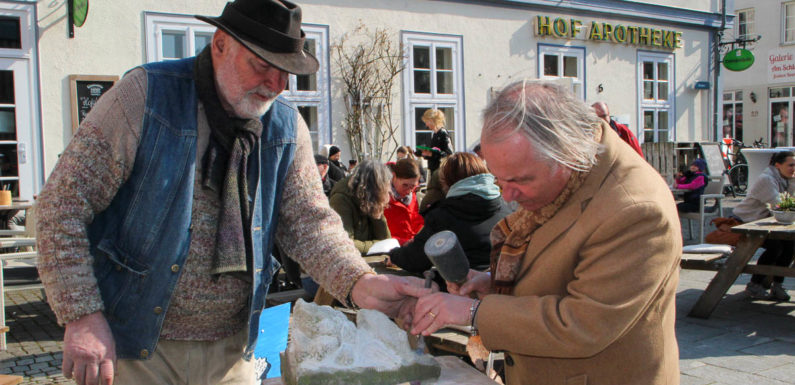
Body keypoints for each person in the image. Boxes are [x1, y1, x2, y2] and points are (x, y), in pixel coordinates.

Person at [34, 2, 429, 385]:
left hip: (231, 351)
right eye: (262, 65)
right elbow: (61, 206)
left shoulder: (285, 128)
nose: (276, 85)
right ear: (220, 44)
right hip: (135, 346)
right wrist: (83, 314)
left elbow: (310, 225)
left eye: (286, 72)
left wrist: (361, 283)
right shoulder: (145, 97)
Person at [410, 81, 681, 384]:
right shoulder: (567, 174)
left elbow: (584, 324)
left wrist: (474, 312)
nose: (508, 196)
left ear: (566, 154)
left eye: (518, 180)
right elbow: (555, 263)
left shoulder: (635, 210)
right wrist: (493, 284)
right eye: (498, 179)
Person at [389, 152, 511, 276]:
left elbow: (416, 259)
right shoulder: (506, 209)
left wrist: (393, 254)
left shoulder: (444, 215)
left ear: (447, 182)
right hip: (500, 284)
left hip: (457, 288)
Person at [732, 151, 795, 301]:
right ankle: (754, 284)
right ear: (777, 165)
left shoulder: (784, 179)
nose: (794, 168)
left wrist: (792, 181)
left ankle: (777, 285)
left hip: (764, 222)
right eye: (791, 165)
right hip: (744, 222)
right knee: (776, 247)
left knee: (790, 245)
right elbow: (781, 205)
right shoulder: (766, 179)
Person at [329, 160, 393, 255]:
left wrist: (378, 213)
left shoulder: (372, 199)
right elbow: (345, 244)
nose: (388, 191)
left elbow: (385, 239)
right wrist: (377, 246)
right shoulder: (341, 200)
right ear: (374, 187)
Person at [384, 159, 424, 246]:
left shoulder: (412, 195)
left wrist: (423, 232)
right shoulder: (381, 197)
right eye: (405, 185)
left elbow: (416, 221)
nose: (409, 191)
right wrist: (402, 242)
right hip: (391, 248)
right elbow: (380, 234)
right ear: (394, 176)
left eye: (413, 186)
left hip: (410, 245)